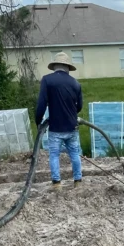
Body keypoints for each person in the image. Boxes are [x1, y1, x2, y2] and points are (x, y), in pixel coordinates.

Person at [35, 52, 83, 190]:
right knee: (74, 153)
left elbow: (41, 104)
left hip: (55, 127)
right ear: (68, 67)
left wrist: (38, 122)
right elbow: (79, 106)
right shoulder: (76, 84)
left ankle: (57, 184)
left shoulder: (47, 80)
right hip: (72, 127)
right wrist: (71, 115)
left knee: (54, 155)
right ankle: (78, 181)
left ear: (55, 66)